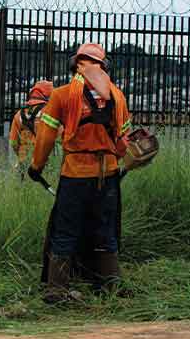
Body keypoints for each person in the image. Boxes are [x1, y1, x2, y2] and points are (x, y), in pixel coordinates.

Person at [27, 43, 133, 297]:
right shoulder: (117, 97)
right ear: (104, 67)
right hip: (108, 176)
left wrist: (36, 167)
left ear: (75, 65)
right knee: (105, 231)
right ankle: (109, 285)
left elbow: (45, 138)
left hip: (74, 176)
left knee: (65, 230)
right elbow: (123, 143)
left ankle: (57, 290)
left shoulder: (62, 95)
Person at [8, 80, 54, 171]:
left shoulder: (19, 114)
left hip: (23, 162)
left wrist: (21, 155)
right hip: (44, 163)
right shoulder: (50, 112)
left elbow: (13, 142)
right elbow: (58, 139)